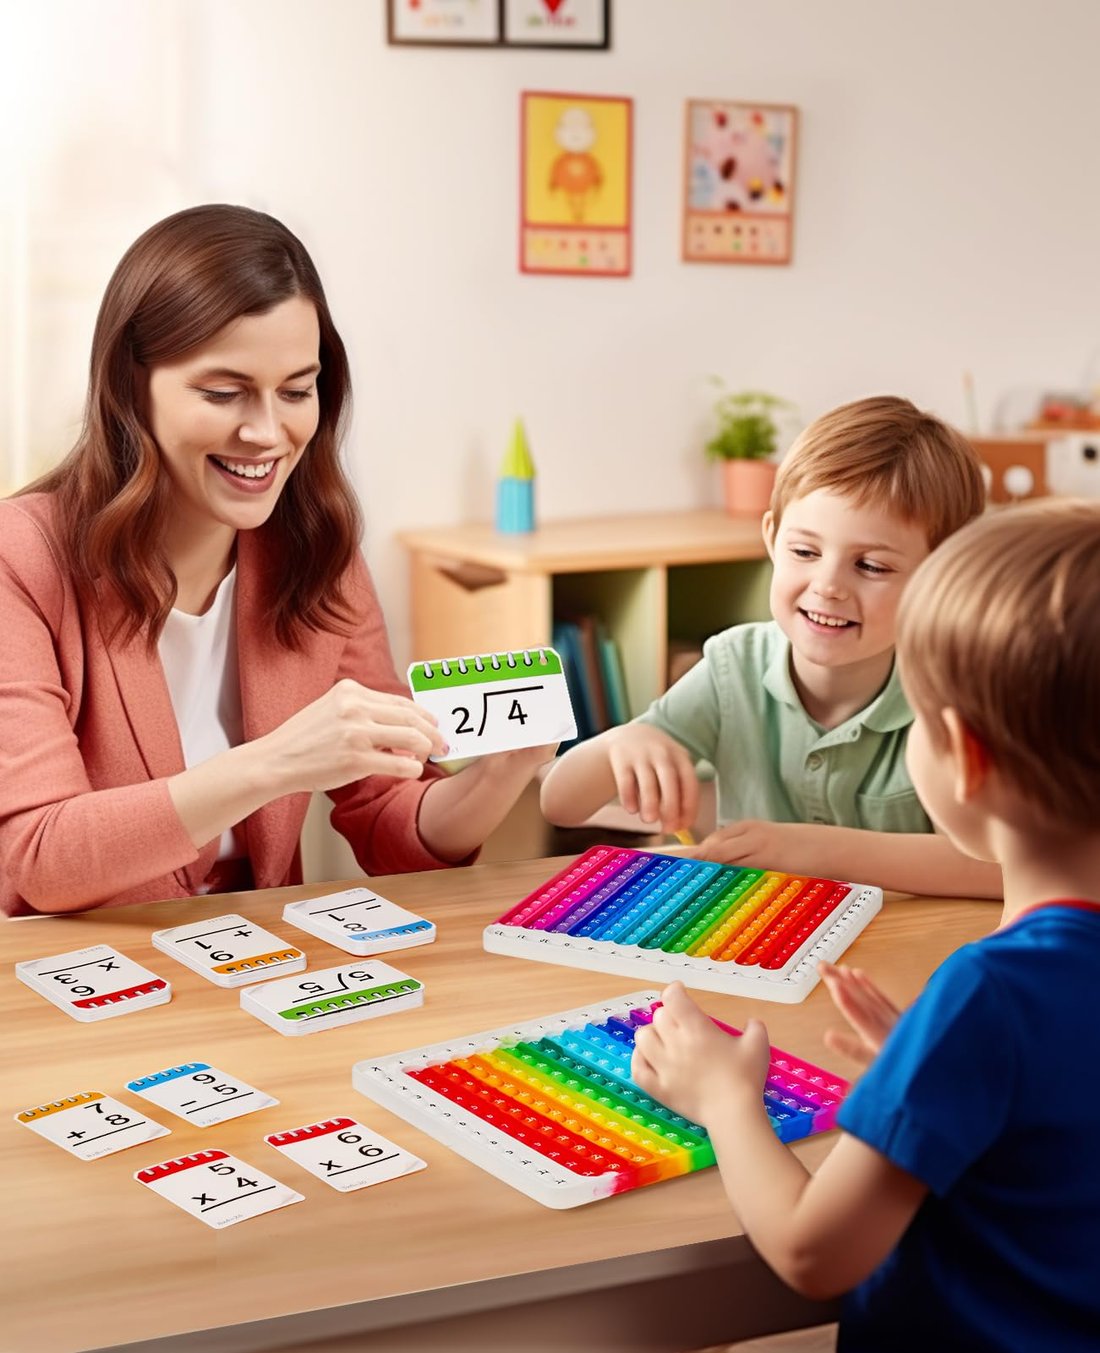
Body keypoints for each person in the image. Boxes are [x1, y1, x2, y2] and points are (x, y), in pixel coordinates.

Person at [631, 500, 1100, 1351]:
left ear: (962, 753)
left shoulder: (990, 995)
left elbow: (814, 1252)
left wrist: (724, 1096)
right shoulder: (1001, 1012)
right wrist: (927, 1071)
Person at [0, 205, 551, 917]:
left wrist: (498, 778)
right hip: (74, 982)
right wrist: (278, 761)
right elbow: (43, 858)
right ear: (132, 385)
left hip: (253, 972)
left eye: (296, 390)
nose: (266, 432)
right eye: (224, 392)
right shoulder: (22, 557)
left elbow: (388, 821)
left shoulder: (317, 554)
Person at [540, 395, 1002, 897]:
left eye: (871, 566)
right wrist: (620, 742)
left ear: (943, 575)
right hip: (752, 943)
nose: (828, 586)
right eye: (805, 551)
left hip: (903, 957)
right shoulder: (732, 665)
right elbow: (559, 805)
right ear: (771, 538)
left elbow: (1003, 869)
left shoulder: (955, 692)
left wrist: (815, 851)